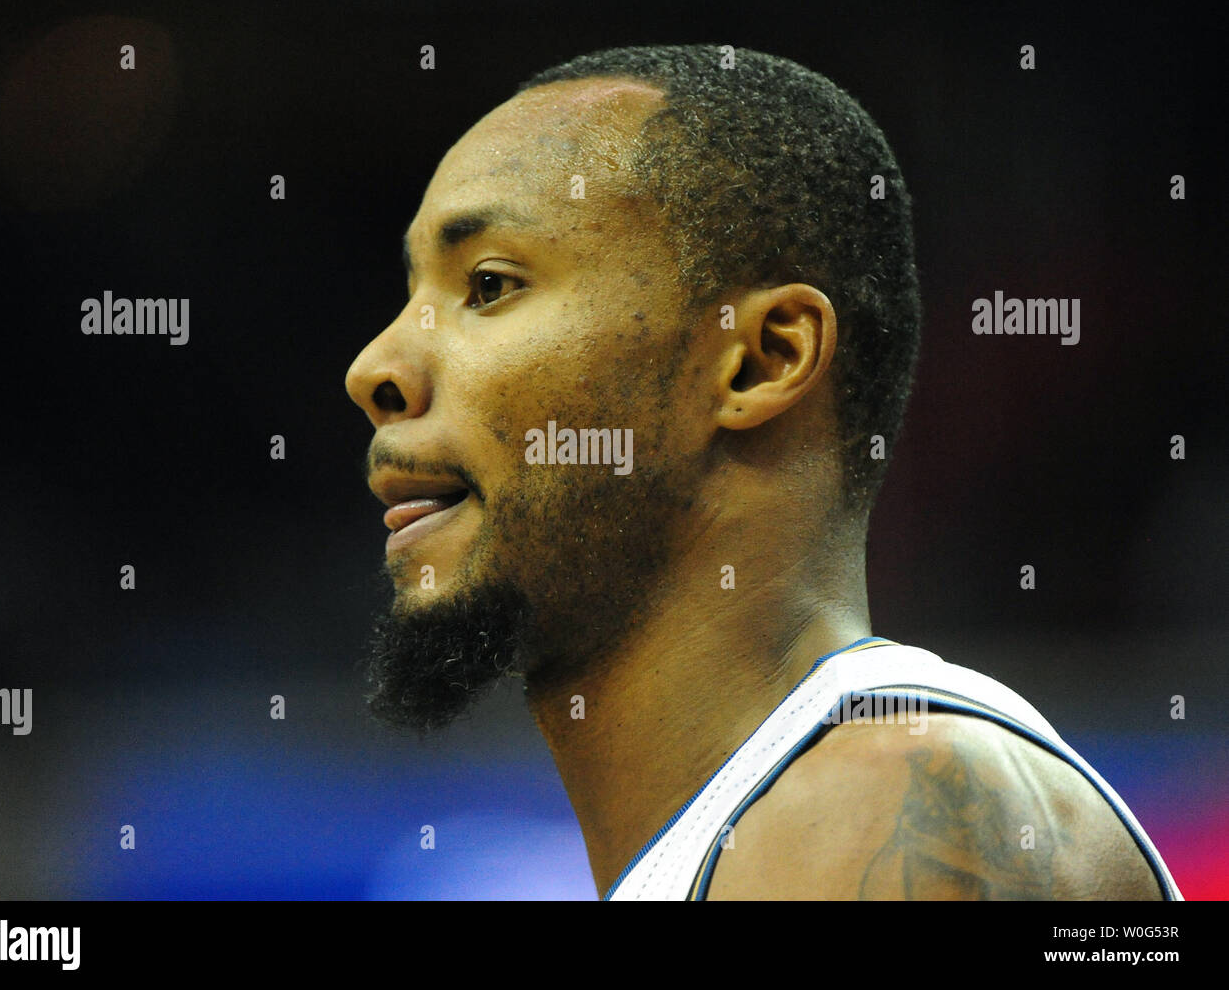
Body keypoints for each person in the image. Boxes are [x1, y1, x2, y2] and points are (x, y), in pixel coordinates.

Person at [344, 44, 1181, 900]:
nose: (374, 367)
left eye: (488, 284)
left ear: (760, 359)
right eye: (411, 292)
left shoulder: (884, 800)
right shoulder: (776, 821)